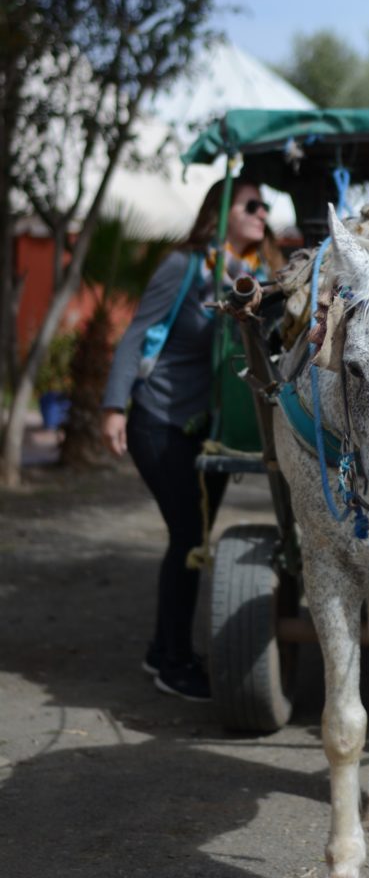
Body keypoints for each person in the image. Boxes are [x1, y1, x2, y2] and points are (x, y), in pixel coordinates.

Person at [102, 177, 282, 702]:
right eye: (251, 203)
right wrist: (114, 406)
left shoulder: (259, 273)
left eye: (265, 205)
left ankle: (164, 649)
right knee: (188, 539)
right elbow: (137, 331)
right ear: (221, 209)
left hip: (209, 433)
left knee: (192, 539)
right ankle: (174, 663)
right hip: (158, 420)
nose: (261, 212)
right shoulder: (185, 266)